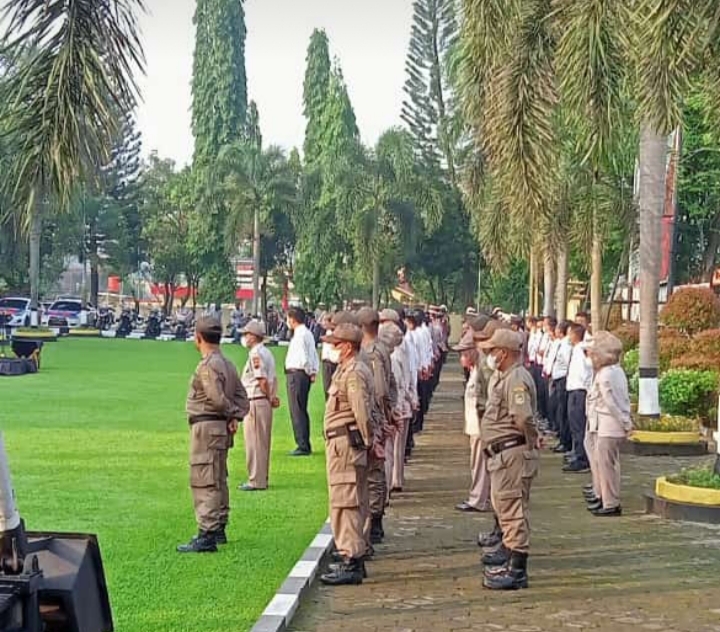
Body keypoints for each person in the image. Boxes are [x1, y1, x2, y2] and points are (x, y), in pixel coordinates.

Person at [178, 316, 250, 553]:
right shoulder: (227, 364)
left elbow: (216, 397)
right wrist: (235, 416)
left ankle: (207, 533)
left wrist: (230, 413)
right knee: (218, 477)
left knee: (205, 478)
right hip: (219, 428)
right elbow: (242, 397)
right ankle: (218, 526)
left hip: (207, 428)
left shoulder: (208, 365)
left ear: (198, 338)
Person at [476, 329, 539, 590]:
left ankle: (516, 570)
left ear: (503, 352)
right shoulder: (507, 377)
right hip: (502, 455)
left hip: (511, 455)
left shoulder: (516, 379)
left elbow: (522, 417)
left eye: (492, 351)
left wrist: (532, 438)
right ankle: (510, 558)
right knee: (506, 507)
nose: (490, 356)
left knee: (512, 510)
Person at [319, 323, 372, 586]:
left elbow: (360, 410)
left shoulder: (353, 373)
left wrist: (367, 440)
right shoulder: (347, 369)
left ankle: (351, 558)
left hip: (346, 445)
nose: (332, 348)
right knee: (348, 500)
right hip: (343, 443)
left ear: (348, 347)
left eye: (336, 344)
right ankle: (352, 556)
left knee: (346, 502)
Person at [357, 307, 396, 546]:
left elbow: (380, 389)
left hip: (375, 413)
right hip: (381, 413)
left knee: (373, 474)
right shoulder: (381, 348)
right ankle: (376, 519)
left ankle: (375, 522)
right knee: (376, 472)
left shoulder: (371, 353)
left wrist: (384, 415)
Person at [585, 331, 632, 517]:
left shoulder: (605, 374)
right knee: (608, 464)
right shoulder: (616, 371)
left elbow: (611, 403)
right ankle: (607, 498)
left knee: (606, 466)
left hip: (608, 424)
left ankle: (610, 502)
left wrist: (625, 422)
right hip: (608, 424)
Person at [454, 329, 491, 513]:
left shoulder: (484, 368)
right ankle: (479, 496)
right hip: (475, 424)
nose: (461, 357)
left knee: (480, 463)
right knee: (477, 463)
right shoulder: (476, 368)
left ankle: (478, 499)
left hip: (481, 425)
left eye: (463, 353)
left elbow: (487, 399)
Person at [238, 320, 278, 491]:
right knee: (262, 442)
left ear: (253, 336)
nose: (245, 338)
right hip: (263, 401)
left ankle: (256, 480)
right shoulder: (267, 352)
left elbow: (261, 380)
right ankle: (261, 477)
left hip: (256, 399)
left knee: (254, 443)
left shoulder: (256, 354)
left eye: (247, 334)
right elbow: (272, 379)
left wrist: (269, 396)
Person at [285, 307, 319, 456]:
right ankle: (303, 442)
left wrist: (308, 369)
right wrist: (313, 371)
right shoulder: (307, 334)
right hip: (303, 374)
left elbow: (304, 357)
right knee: (301, 408)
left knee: (297, 409)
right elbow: (313, 354)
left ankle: (302, 444)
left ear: (292, 319)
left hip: (297, 373)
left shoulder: (300, 335)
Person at [564, 323, 593, 473]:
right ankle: (577, 453)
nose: (568, 336)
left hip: (580, 390)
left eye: (570, 333)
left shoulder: (583, 348)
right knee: (574, 425)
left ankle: (582, 458)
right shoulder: (576, 349)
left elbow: (589, 365)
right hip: (573, 389)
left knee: (579, 426)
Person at [549, 321, 572, 454]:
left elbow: (568, 362)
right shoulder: (560, 343)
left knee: (563, 412)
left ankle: (565, 441)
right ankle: (562, 439)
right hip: (558, 378)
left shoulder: (567, 346)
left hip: (563, 379)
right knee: (558, 410)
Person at [320, 312, 340, 399]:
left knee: (330, 387)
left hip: (332, 363)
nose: (323, 323)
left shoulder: (336, 333)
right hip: (326, 362)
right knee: (326, 388)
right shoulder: (327, 332)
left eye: (325, 321)